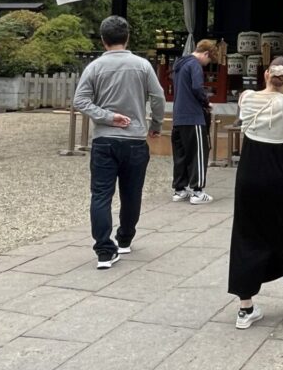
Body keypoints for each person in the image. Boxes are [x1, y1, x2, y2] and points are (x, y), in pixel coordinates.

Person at [228, 56, 283, 328]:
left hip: (247, 176)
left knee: (246, 233)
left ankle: (245, 308)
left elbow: (249, 119)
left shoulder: (247, 97)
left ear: (266, 74)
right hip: (276, 176)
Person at [74, 15, 164, 269]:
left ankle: (104, 250)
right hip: (135, 138)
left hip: (104, 138)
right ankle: (124, 238)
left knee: (101, 194)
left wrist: (108, 117)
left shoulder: (93, 68)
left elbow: (80, 101)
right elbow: (158, 98)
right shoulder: (143, 65)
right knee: (131, 192)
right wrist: (155, 125)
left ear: (103, 40)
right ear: (127, 38)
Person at [171, 39, 216, 204]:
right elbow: (197, 87)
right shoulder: (194, 65)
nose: (207, 63)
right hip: (193, 116)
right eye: (209, 59)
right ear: (205, 53)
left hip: (178, 116)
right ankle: (198, 191)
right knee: (198, 153)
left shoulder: (179, 64)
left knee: (180, 154)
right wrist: (206, 102)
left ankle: (179, 189)